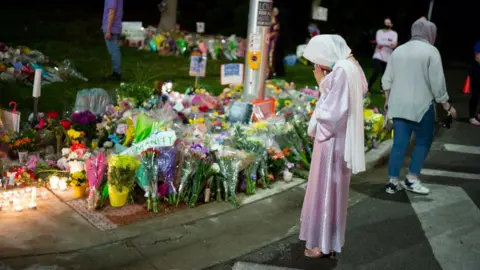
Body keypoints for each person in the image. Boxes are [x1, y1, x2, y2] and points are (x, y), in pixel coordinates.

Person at [300, 35, 367, 258]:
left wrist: (321, 82)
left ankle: (321, 244)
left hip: (331, 141)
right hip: (342, 139)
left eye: (317, 60)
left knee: (325, 189)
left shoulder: (341, 70)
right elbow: (357, 93)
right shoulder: (354, 67)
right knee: (335, 191)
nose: (318, 66)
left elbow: (331, 112)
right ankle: (330, 240)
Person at [382, 18, 457, 195]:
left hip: (398, 105)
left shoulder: (398, 51)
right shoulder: (431, 52)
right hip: (421, 107)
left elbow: (387, 79)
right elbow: (437, 83)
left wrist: (387, 100)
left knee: (399, 144)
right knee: (423, 141)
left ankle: (392, 182)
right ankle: (412, 179)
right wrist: (446, 106)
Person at [368, 17, 398, 93]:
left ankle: (382, 89)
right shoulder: (380, 32)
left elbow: (394, 45)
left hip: (387, 57)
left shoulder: (394, 34)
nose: (386, 25)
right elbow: (379, 42)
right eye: (385, 23)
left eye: (388, 23)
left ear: (391, 24)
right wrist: (390, 43)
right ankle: (368, 87)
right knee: (377, 70)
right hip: (378, 55)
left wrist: (385, 43)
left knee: (384, 74)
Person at [103, 0, 124, 80]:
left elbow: (112, 11)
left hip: (112, 28)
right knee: (115, 51)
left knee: (114, 51)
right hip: (115, 27)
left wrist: (108, 29)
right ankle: (116, 73)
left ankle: (116, 74)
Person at [267, 7, 285, 78]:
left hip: (274, 42)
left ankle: (272, 71)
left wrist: (269, 36)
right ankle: (269, 71)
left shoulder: (277, 21)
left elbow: (276, 32)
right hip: (269, 41)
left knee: (272, 56)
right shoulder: (269, 20)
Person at [468, 41, 480, 126]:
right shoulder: (478, 44)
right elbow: (477, 57)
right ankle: (472, 117)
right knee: (475, 95)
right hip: (476, 72)